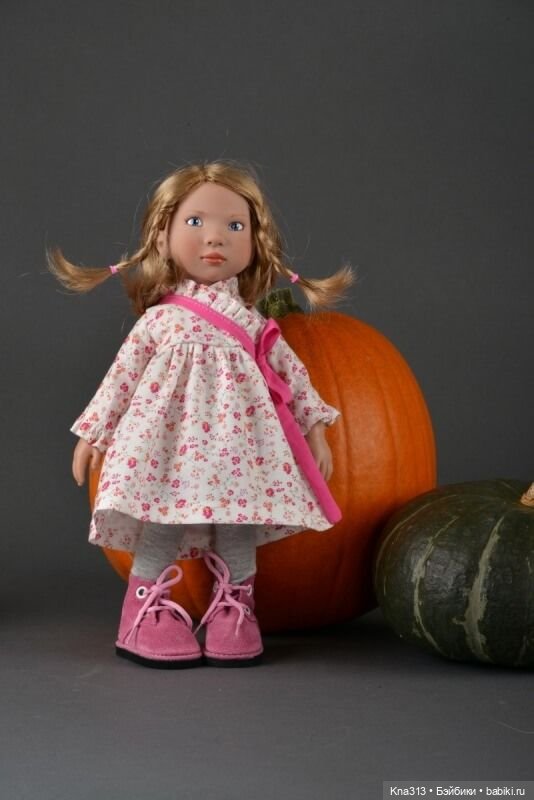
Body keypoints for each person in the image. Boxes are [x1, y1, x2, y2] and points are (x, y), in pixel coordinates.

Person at [48, 160, 354, 669]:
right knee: (165, 519)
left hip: (238, 448)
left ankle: (235, 607)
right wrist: (93, 434)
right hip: (170, 448)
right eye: (195, 222)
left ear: (255, 242)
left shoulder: (252, 323)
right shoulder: (161, 320)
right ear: (162, 237)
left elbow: (293, 375)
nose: (215, 237)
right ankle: (144, 609)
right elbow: (121, 378)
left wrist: (316, 429)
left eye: (235, 225)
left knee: (237, 524)